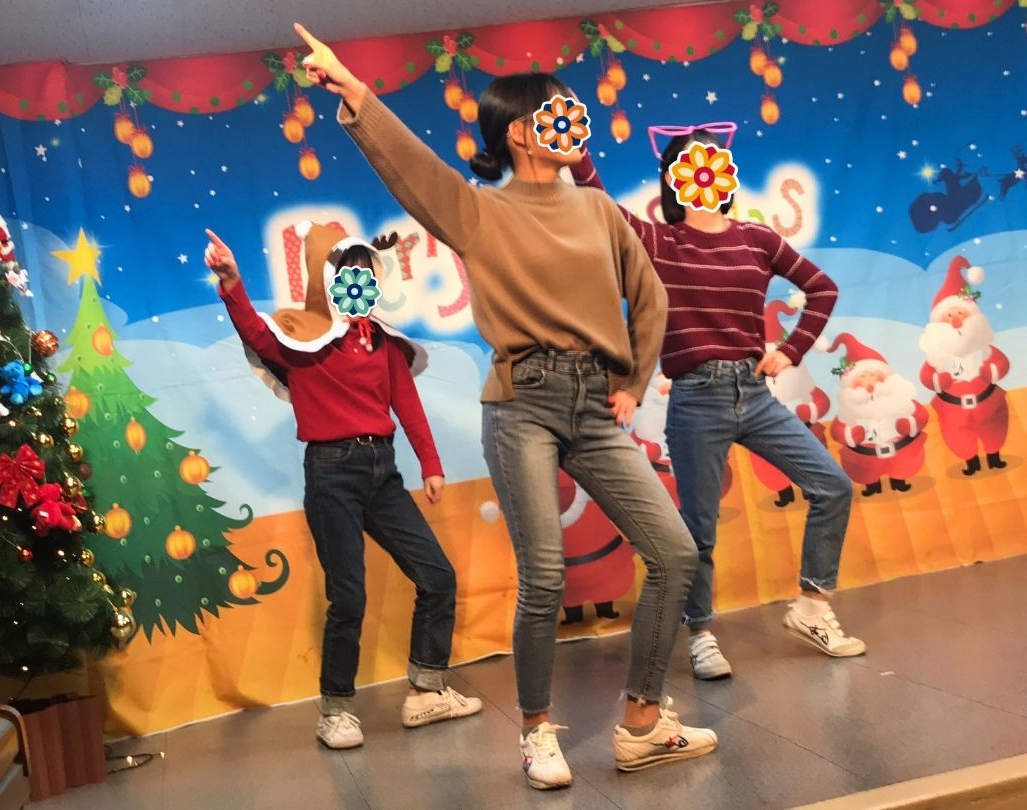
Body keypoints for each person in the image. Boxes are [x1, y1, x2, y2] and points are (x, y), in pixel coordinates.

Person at [292, 23, 716, 789]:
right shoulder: (478, 211)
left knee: (675, 552)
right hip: (522, 402)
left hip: (593, 402)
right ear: (521, 131)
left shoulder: (597, 210)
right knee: (545, 575)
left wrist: (632, 382)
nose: (571, 122)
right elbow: (413, 171)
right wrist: (355, 95)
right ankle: (536, 732)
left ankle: (644, 720)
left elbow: (648, 297)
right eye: (557, 112)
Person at [570, 126, 865, 681]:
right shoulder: (658, 241)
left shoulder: (757, 239)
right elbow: (604, 208)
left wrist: (791, 350)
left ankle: (812, 606)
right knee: (699, 529)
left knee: (832, 485)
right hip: (696, 398)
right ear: (676, 180)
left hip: (753, 394)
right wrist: (578, 153)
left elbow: (822, 288)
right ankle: (701, 632)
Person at [203, 223, 482, 750]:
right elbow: (256, 335)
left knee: (437, 576)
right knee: (348, 595)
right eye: (348, 277)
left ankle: (426, 690)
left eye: (367, 277)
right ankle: (336, 711)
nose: (359, 286)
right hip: (331, 473)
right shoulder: (303, 342)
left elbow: (408, 403)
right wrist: (233, 284)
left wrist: (431, 462)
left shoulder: (380, 340)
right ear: (330, 281)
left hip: (382, 471)